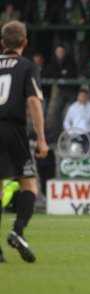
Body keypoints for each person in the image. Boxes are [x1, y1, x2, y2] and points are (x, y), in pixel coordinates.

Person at [0, 21, 49, 263]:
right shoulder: (27, 66)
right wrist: (41, 138)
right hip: (14, 130)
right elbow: (33, 102)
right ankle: (17, 231)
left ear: (2, 43)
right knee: (29, 184)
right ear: (25, 42)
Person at [63, 88, 90, 153]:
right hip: (75, 134)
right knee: (75, 154)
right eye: (81, 96)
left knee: (87, 154)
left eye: (84, 96)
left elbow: (88, 118)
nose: (82, 98)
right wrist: (71, 132)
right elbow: (66, 122)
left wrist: (83, 106)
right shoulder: (72, 107)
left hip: (87, 134)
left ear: (87, 97)